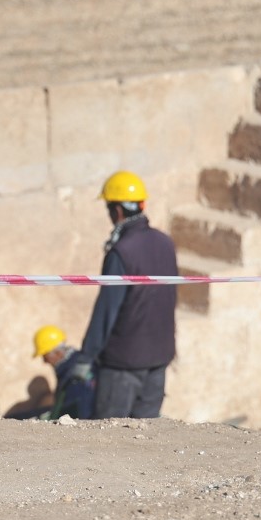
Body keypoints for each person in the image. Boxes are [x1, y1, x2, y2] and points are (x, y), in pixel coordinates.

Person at [77, 171, 177, 419]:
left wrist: (86, 356)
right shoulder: (165, 243)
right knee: (143, 441)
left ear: (118, 211)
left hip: (123, 364)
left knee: (109, 440)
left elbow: (107, 309)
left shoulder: (121, 252)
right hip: (159, 358)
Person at [30, 325, 97, 421]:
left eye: (45, 356)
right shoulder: (73, 366)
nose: (44, 362)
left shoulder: (74, 375)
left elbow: (77, 410)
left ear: (58, 353)